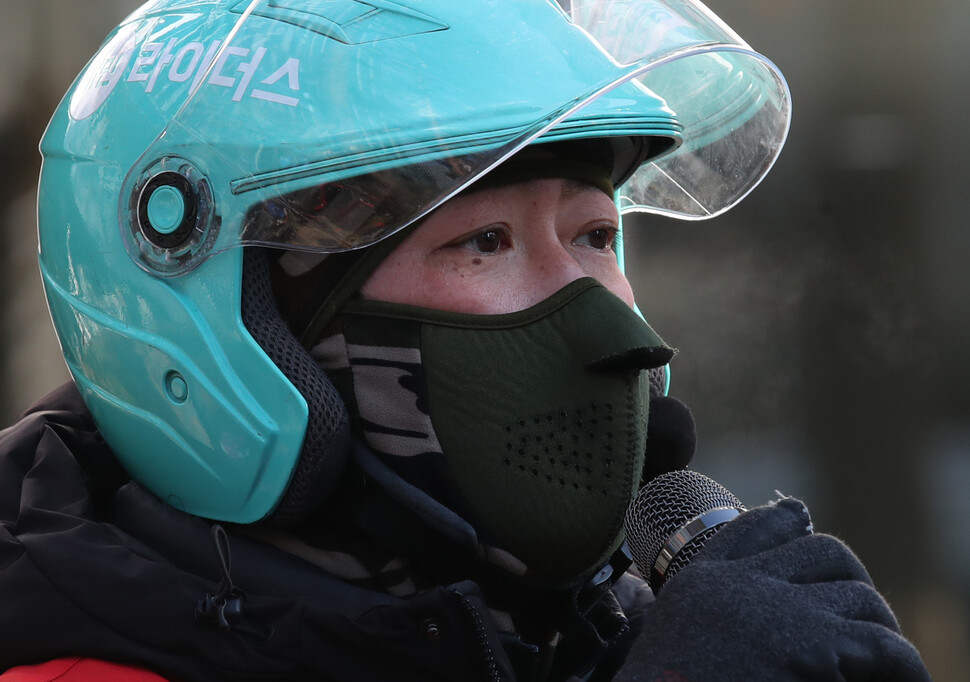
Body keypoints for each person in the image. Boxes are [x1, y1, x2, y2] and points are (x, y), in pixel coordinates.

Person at [0, 1, 931, 680]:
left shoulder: (617, 635)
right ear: (243, 322)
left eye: (596, 235)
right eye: (483, 241)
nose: (609, 325)